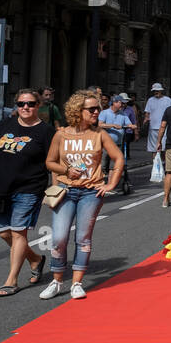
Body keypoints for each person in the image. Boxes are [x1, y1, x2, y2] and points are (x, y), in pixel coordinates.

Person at [40, 91, 124, 300]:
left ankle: (76, 283)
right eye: (92, 109)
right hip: (66, 191)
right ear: (78, 111)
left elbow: (118, 157)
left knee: (83, 238)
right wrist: (66, 172)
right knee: (59, 238)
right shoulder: (61, 134)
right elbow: (50, 162)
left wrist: (111, 183)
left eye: (98, 108)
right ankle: (57, 281)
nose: (97, 112)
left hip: (91, 192)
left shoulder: (99, 134)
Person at [0, 88, 55, 296]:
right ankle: (35, 259)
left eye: (30, 104)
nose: (25, 107)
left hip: (29, 188)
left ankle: (11, 280)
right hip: (2, 188)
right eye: (21, 104)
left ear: (38, 106)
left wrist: (54, 188)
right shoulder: (6, 124)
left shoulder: (45, 131)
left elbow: (54, 160)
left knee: (18, 233)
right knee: (4, 232)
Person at [99, 95, 134, 191]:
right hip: (105, 144)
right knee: (102, 165)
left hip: (118, 144)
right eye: (121, 103)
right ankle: (99, 184)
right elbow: (100, 124)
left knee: (113, 166)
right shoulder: (104, 113)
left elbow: (128, 123)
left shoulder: (123, 114)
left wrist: (132, 126)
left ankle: (110, 186)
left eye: (123, 103)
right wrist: (112, 125)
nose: (123, 105)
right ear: (114, 102)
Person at [142, 83, 171, 154]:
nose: (156, 92)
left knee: (163, 148)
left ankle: (163, 163)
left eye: (157, 90)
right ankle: (155, 163)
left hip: (165, 127)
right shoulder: (150, 100)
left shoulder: (167, 100)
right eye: (154, 91)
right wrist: (145, 121)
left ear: (161, 91)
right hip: (153, 127)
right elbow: (147, 113)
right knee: (153, 148)